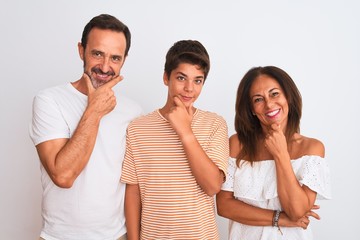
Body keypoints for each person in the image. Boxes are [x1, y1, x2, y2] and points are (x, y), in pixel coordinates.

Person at [29, 14, 142, 240]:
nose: (105, 66)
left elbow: (134, 185)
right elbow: (63, 175)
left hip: (116, 236)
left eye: (115, 58)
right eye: (97, 53)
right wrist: (95, 110)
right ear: (81, 50)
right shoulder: (49, 100)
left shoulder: (133, 111)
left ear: (124, 60)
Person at [121, 40, 229, 239]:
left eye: (198, 80)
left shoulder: (215, 124)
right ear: (165, 77)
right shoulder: (138, 128)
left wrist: (185, 132)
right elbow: (133, 193)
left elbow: (212, 186)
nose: (189, 88)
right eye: (181, 78)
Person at [216, 66, 331, 240]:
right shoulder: (237, 144)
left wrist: (281, 154)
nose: (269, 104)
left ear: (288, 96)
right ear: (252, 109)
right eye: (258, 99)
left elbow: (297, 211)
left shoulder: (312, 148)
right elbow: (224, 206)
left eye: (274, 94)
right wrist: (280, 219)